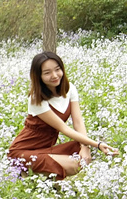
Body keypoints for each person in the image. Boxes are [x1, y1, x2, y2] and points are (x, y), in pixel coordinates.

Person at [8, 51, 118, 179]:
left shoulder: (70, 89)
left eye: (57, 69)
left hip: (46, 149)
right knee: (76, 164)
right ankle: (27, 172)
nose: (54, 75)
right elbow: (64, 128)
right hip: (22, 152)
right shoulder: (36, 99)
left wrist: (86, 146)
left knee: (85, 150)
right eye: (47, 73)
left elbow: (78, 122)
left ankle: (39, 175)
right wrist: (97, 144)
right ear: (38, 76)